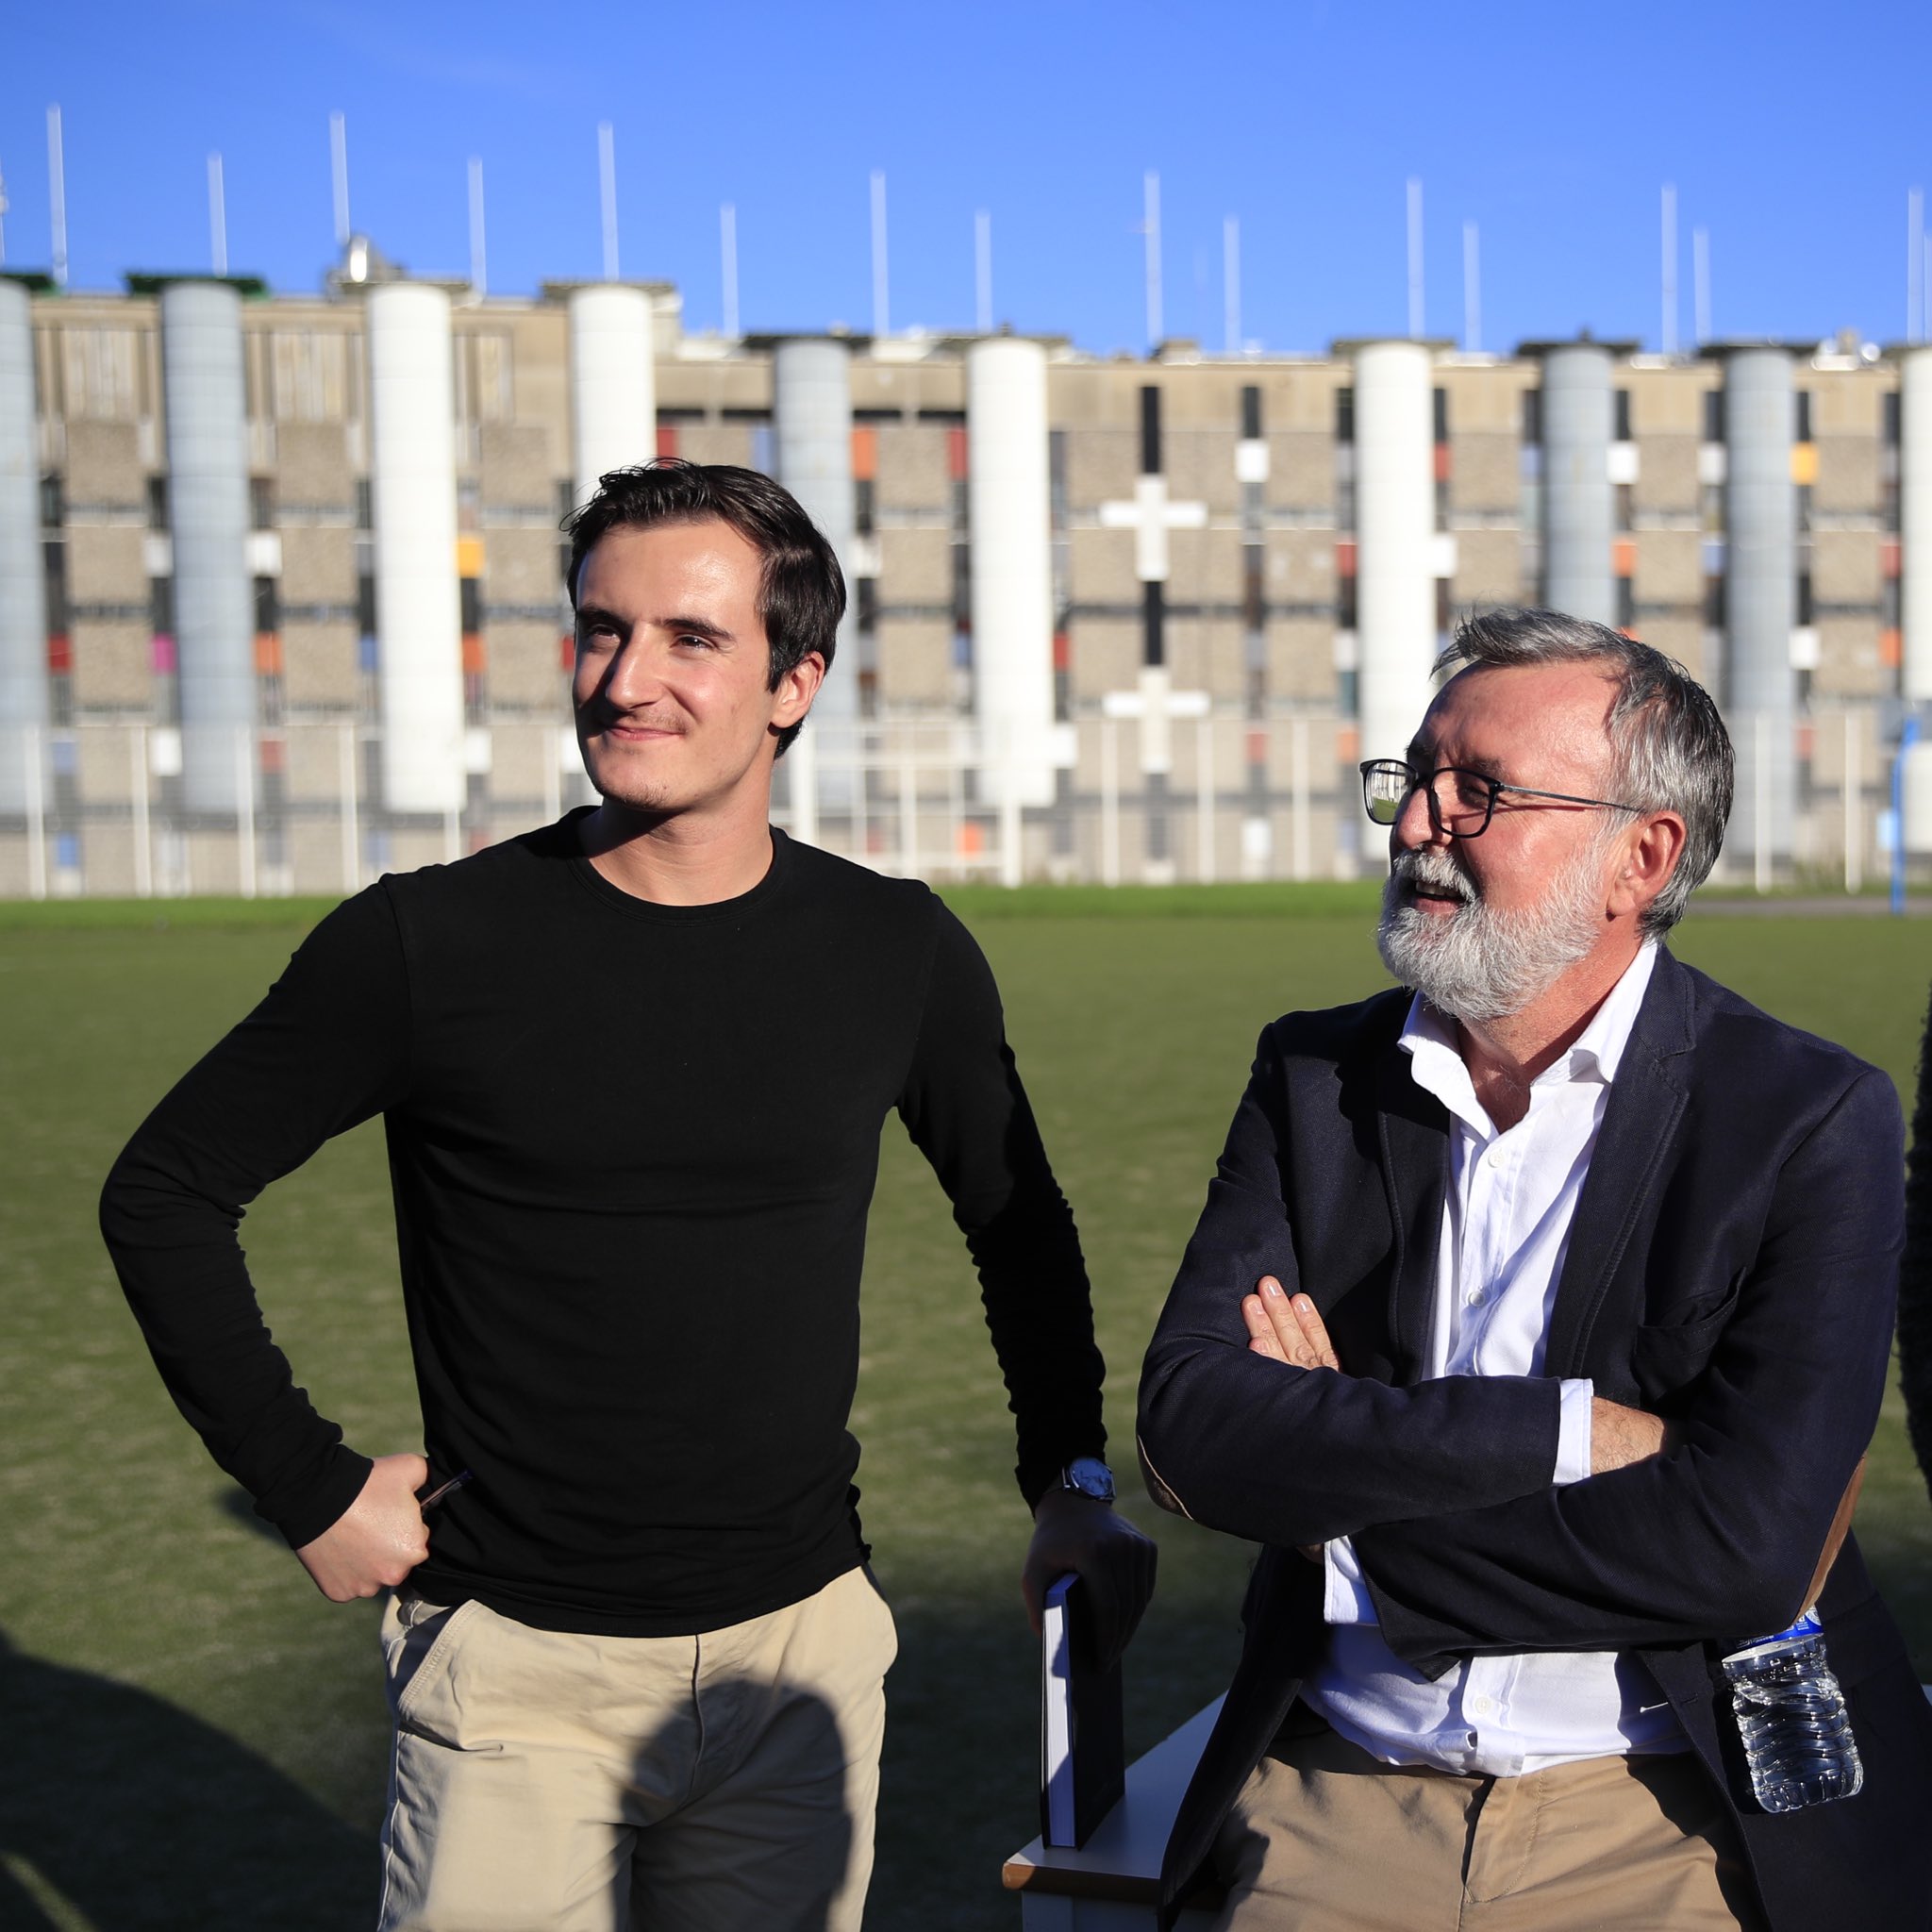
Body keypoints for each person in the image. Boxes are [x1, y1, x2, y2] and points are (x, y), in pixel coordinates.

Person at [101, 459, 1156, 1932]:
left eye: (689, 638)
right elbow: (164, 1191)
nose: (624, 679)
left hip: (800, 1669)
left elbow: (1017, 1223)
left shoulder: (895, 950)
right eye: (602, 630)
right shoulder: (427, 944)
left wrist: (1070, 1480)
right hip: (515, 1678)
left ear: (794, 683)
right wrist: (306, 1483)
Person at [1137, 608, 1932, 1932]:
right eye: (1414, 779)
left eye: (1480, 793)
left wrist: (1342, 1511)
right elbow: (1193, 1425)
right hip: (1340, 1792)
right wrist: (1566, 1433)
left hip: (1663, 1810)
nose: (1416, 825)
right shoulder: (1315, 1076)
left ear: (1642, 855)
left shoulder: (1804, 1116)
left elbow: (1749, 1547)